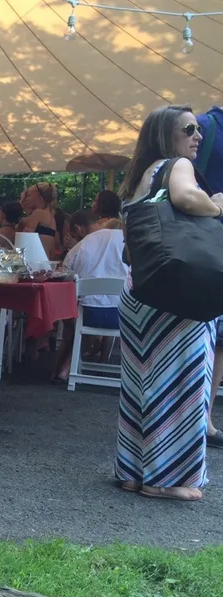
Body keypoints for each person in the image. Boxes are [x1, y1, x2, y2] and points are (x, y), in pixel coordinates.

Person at [116, 104, 223, 501]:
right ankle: (168, 479)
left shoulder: (135, 183)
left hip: (140, 290)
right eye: (189, 129)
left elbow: (130, 249)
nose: (198, 136)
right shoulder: (176, 165)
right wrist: (217, 204)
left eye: (198, 129)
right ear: (165, 135)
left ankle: (133, 472)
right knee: (183, 381)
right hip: (178, 294)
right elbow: (187, 198)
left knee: (141, 383)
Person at [51, 210, 128, 382]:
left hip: (88, 316)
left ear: (78, 229)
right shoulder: (126, 241)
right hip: (125, 317)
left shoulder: (78, 248)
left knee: (74, 311)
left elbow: (65, 278)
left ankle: (65, 366)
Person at [195, 106, 223, 450]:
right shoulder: (203, 126)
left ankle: (205, 415)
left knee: (222, 338)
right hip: (202, 247)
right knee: (199, 330)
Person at [18, 182, 58, 258]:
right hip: (46, 260)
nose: (26, 199)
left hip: (36, 261)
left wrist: (22, 207)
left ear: (39, 198)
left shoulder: (38, 213)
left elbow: (22, 236)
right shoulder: (51, 216)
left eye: (29, 195)